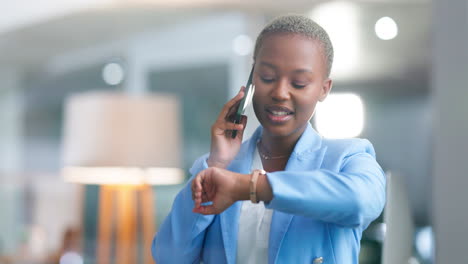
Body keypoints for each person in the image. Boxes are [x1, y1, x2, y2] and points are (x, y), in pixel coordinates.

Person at [152, 14, 386, 264]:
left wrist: (249, 187)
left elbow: (363, 202)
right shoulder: (219, 168)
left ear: (324, 89)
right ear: (252, 77)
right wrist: (217, 163)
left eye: (299, 83)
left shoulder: (347, 157)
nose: (280, 93)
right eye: (267, 77)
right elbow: (168, 256)